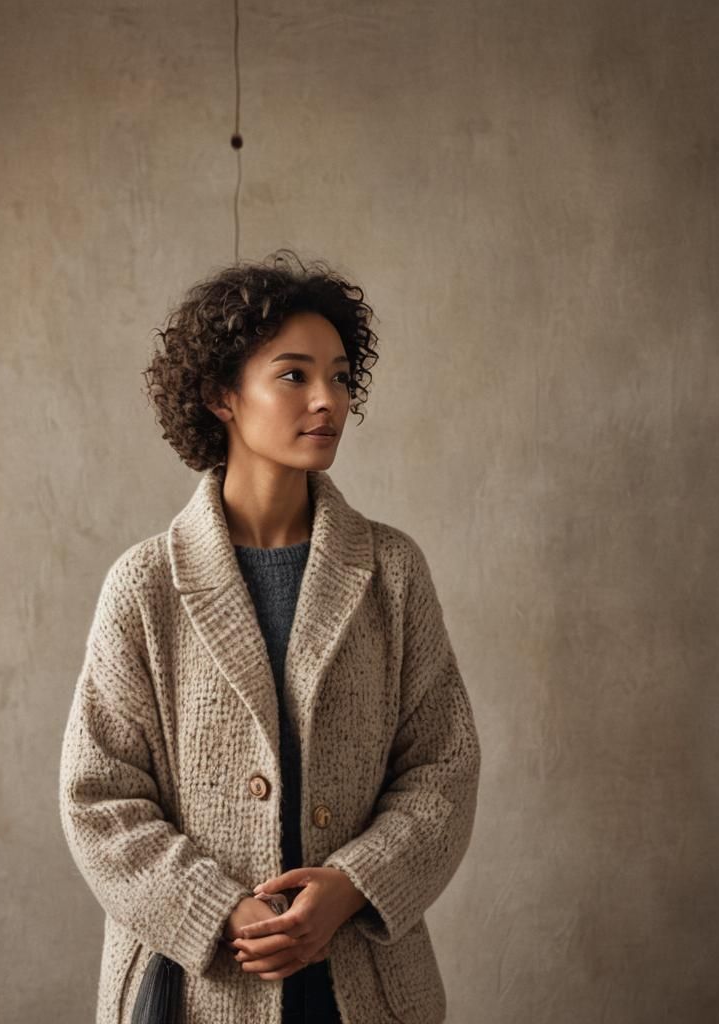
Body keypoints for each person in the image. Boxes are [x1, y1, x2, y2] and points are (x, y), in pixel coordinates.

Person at [59, 249, 481, 1024]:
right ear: (221, 393)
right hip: (192, 987)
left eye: (342, 376)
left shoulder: (392, 571)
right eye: (294, 375)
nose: (328, 400)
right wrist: (217, 908)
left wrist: (351, 885)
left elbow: (442, 770)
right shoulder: (145, 585)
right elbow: (100, 798)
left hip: (359, 983)